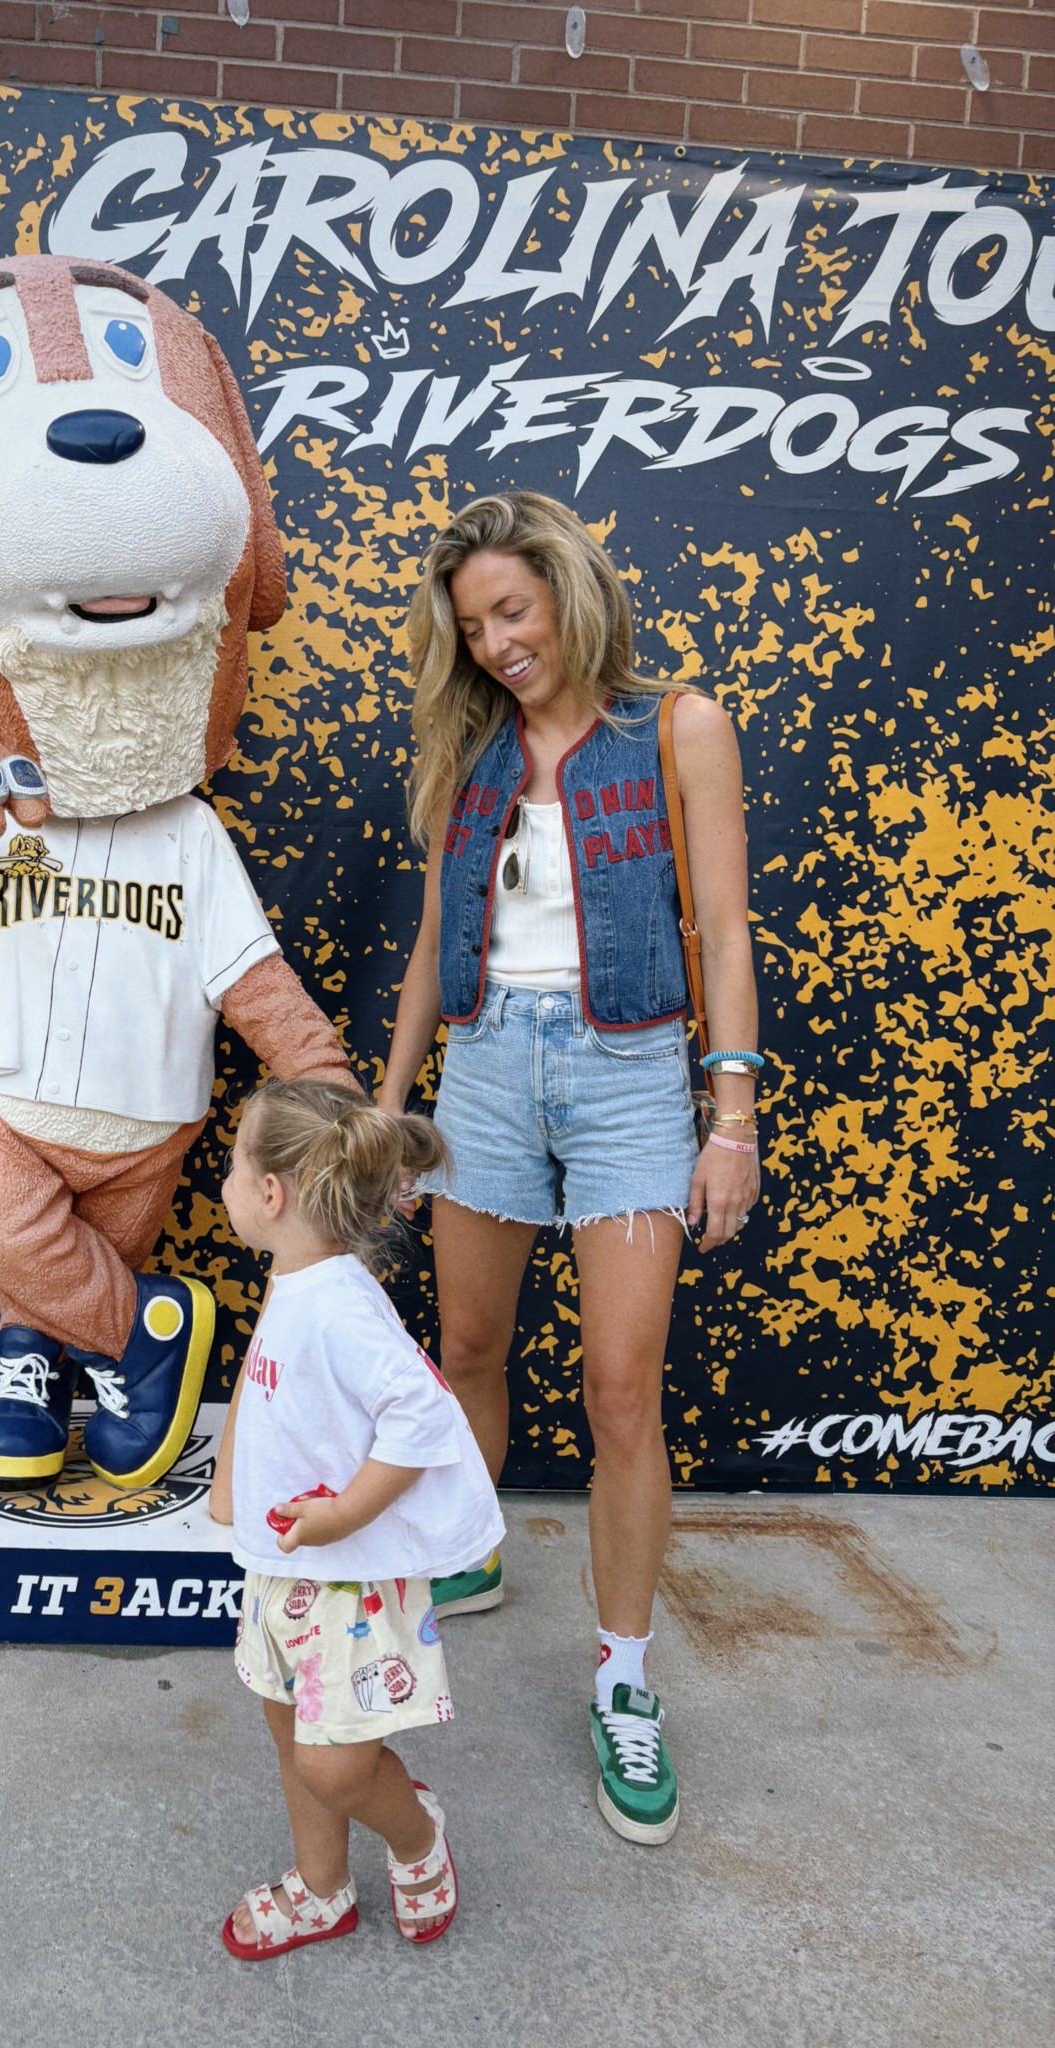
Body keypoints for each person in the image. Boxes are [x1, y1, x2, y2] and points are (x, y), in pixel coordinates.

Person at [378, 492, 762, 1846]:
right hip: (484, 1071)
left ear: (569, 594)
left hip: (627, 1082)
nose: (493, 644)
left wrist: (732, 1117)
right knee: (469, 1349)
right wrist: (390, 1110)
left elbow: (720, 925)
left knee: (619, 1392)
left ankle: (625, 1677)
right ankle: (465, 1552)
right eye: (473, 624)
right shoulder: (468, 751)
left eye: (511, 612)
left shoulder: (677, 728)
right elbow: (433, 948)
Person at [209, 1079, 504, 1957]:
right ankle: (321, 1891)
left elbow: (421, 1416)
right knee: (291, 1726)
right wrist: (230, 1480)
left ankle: (416, 1840)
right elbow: (266, 1387)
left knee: (331, 1759)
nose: (224, 1181)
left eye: (232, 1163)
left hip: (345, 1579)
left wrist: (343, 1516)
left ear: (272, 1195)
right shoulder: (299, 1282)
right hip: (284, 1569)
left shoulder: (340, 1305)